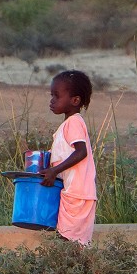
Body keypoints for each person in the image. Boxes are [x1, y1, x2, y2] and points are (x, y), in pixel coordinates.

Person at [40, 70, 97, 245]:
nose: (52, 100)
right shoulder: (69, 123)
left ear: (75, 100)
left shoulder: (73, 123)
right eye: (52, 95)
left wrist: (54, 170)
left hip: (77, 194)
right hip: (74, 192)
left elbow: (81, 152)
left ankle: (75, 271)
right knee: (71, 240)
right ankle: (74, 271)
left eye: (57, 96)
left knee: (68, 240)